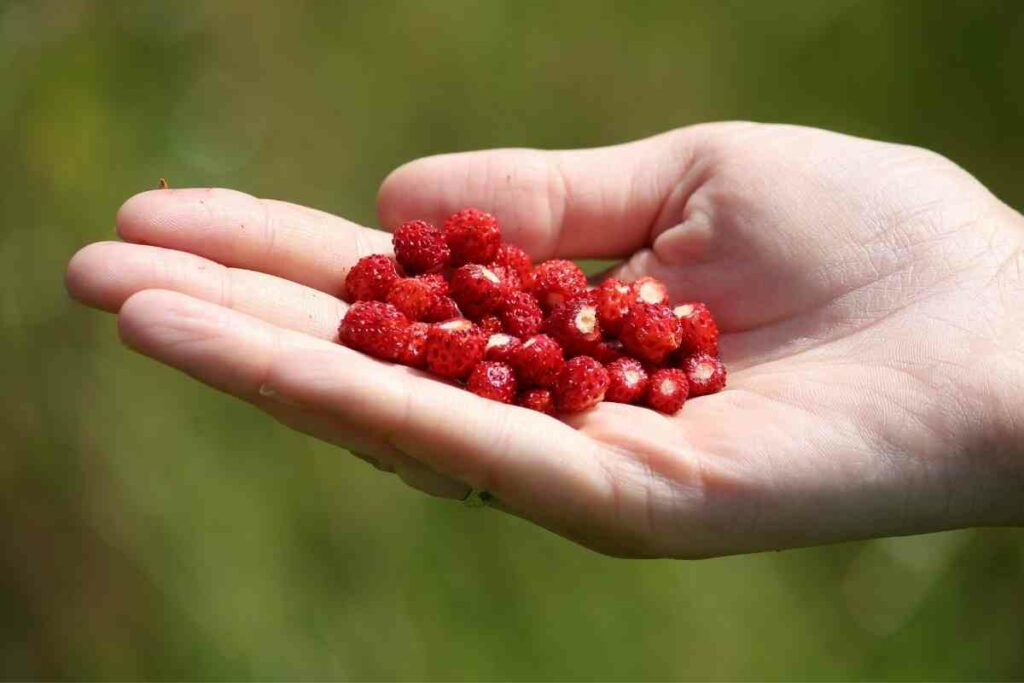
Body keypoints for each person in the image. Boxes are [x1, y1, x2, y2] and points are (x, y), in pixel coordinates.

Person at [65, 122, 1023, 558]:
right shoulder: (504, 312)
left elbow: (565, 332)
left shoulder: (585, 335)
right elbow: (514, 318)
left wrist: (990, 295)